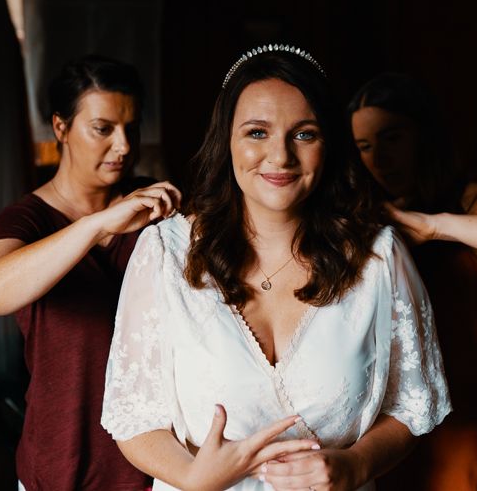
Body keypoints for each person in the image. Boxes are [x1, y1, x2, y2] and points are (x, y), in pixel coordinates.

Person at [102, 45, 450, 491]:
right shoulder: (165, 252)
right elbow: (134, 414)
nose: (280, 156)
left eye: (304, 134)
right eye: (257, 132)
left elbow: (411, 404)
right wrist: (192, 477)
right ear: (226, 139)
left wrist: (356, 465)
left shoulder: (378, 256)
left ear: (329, 143)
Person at [0, 55, 181, 491]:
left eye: (132, 127)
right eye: (103, 128)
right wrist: (98, 224)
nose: (124, 146)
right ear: (60, 127)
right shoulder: (26, 220)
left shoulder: (160, 209)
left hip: (157, 466)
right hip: (61, 461)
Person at [349, 71, 477, 491]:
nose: (378, 159)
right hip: (379, 437)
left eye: (392, 138)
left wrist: (435, 227)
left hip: (461, 432)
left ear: (424, 136)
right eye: (364, 147)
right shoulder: (358, 221)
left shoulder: (471, 204)